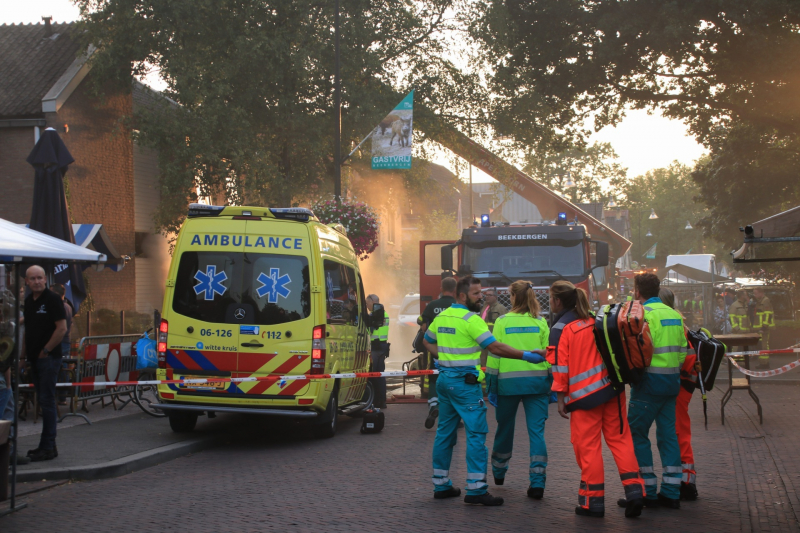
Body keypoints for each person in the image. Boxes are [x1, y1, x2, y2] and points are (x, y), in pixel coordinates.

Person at [422, 276, 544, 506]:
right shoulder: (472, 320)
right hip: (465, 386)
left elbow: (427, 341)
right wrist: (529, 356)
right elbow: (495, 347)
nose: (482, 298)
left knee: (444, 434)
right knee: (476, 435)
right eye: (476, 294)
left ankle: (441, 484)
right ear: (462, 295)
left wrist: (445, 359)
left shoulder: (442, 316)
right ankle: (476, 489)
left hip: (445, 382)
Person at [547, 280, 645, 519]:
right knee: (621, 440)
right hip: (613, 391)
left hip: (584, 399)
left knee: (588, 448)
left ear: (558, 301)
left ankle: (593, 502)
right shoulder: (597, 321)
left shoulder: (562, 328)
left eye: (550, 299)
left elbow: (560, 366)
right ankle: (635, 492)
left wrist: (560, 397)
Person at [622, 273, 686, 510]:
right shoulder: (674, 314)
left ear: (638, 291)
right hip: (671, 383)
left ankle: (646, 490)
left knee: (637, 434)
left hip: (648, 384)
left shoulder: (642, 314)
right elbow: (682, 351)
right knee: (668, 436)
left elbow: (636, 352)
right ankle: (671, 492)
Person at [485, 281, 550, 498]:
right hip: (537, 384)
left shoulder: (502, 322)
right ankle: (538, 482)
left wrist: (491, 385)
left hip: (508, 384)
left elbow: (495, 355)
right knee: (537, 433)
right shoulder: (541, 322)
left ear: (512, 297)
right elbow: (548, 355)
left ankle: (499, 471)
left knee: (505, 428)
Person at [22, 265, 67, 462]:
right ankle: (48, 446)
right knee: (43, 400)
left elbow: (61, 328)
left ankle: (47, 446)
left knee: (47, 401)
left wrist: (46, 351)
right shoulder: (29, 302)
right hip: (34, 359)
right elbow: (29, 332)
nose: (37, 281)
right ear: (27, 281)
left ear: (45, 280)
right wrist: (23, 356)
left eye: (40, 277)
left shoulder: (52, 299)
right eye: (33, 278)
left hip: (48, 359)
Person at [659, 288, 700, 501]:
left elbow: (685, 358)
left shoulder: (671, 325)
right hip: (681, 385)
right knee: (678, 432)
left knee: (677, 433)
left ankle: (685, 482)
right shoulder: (678, 323)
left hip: (677, 386)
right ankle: (684, 480)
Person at [420, 277, 457, 429]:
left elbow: (424, 328)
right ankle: (454, 416)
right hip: (456, 350)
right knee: (454, 381)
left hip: (435, 349)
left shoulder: (432, 306)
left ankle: (434, 405)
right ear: (455, 290)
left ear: (441, 288)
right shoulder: (458, 306)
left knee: (434, 377)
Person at [51, 284, 73, 405]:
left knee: (57, 368)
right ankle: (62, 397)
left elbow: (59, 327)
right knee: (63, 369)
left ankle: (58, 396)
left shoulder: (60, 307)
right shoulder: (68, 306)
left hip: (60, 341)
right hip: (65, 341)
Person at [366, 294, 388, 408]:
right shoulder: (385, 314)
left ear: (373, 302)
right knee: (381, 375)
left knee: (374, 375)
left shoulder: (374, 315)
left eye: (367, 303)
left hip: (375, 347)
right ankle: (382, 400)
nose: (366, 305)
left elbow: (369, 330)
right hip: (382, 347)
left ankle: (375, 401)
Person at [479, 288, 507, 369]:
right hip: (483, 340)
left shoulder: (501, 309)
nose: (487, 297)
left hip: (494, 340)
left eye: (490, 295)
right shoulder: (484, 308)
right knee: (483, 361)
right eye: (486, 295)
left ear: (495, 297)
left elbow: (504, 324)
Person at [752, 288, 774, 369]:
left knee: (764, 345)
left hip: (763, 329)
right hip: (760, 329)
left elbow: (768, 315)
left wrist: (764, 327)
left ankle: (765, 363)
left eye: (756, 293)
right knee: (761, 345)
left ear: (761, 293)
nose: (755, 295)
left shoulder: (765, 301)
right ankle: (762, 363)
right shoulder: (760, 301)